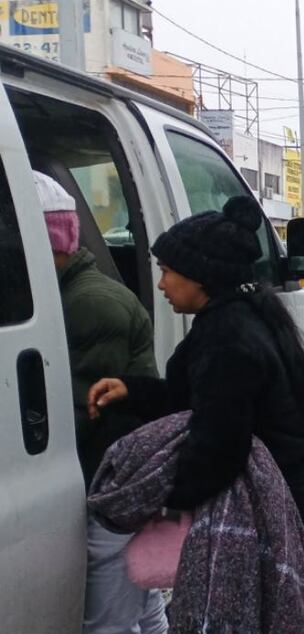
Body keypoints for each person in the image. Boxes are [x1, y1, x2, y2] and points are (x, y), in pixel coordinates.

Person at [87, 195, 304, 535]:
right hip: (289, 492)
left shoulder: (226, 338)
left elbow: (219, 446)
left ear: (199, 275)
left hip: (266, 509)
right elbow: (200, 399)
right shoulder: (244, 313)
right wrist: (132, 390)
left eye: (167, 271)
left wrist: (163, 501)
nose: (160, 284)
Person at [34, 171, 167, 634]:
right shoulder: (73, 294)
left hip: (112, 481)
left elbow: (83, 408)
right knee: (142, 604)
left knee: (108, 618)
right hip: (120, 479)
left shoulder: (88, 304)